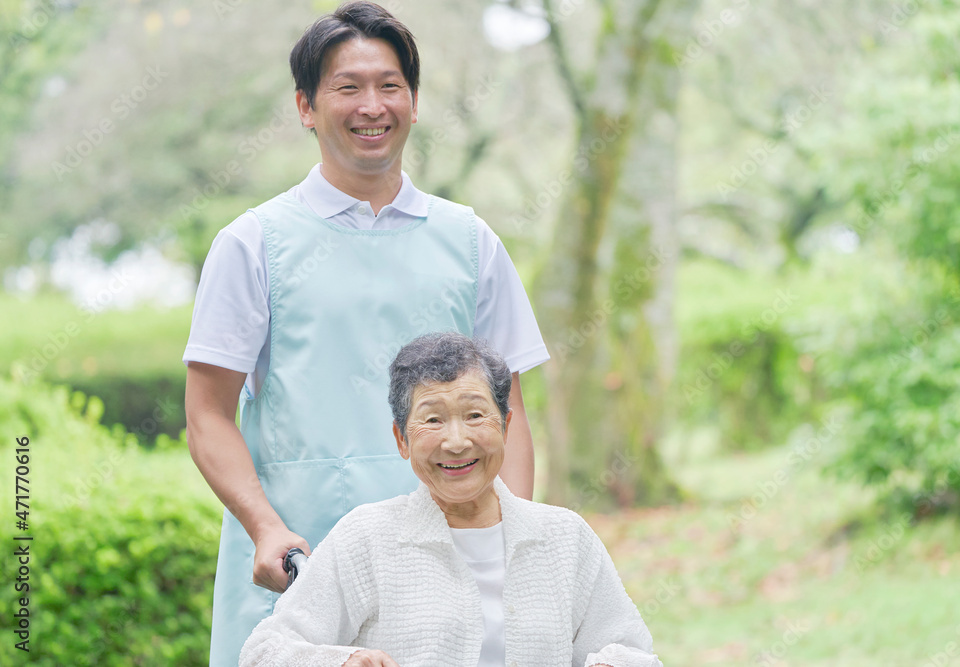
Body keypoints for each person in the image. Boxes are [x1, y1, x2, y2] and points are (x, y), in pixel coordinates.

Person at [182, 3, 549, 665]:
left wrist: (511, 542)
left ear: (413, 100)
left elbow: (510, 409)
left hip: (451, 568)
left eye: (389, 86)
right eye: (347, 87)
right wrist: (266, 528)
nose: (371, 105)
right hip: (301, 571)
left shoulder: (469, 242)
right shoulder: (253, 244)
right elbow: (207, 415)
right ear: (306, 107)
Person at [239, 333, 661, 667]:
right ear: (402, 440)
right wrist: (342, 660)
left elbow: (633, 650)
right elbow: (263, 653)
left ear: (505, 426)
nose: (456, 442)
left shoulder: (565, 538)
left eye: (475, 415)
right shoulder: (367, 538)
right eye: (433, 420)